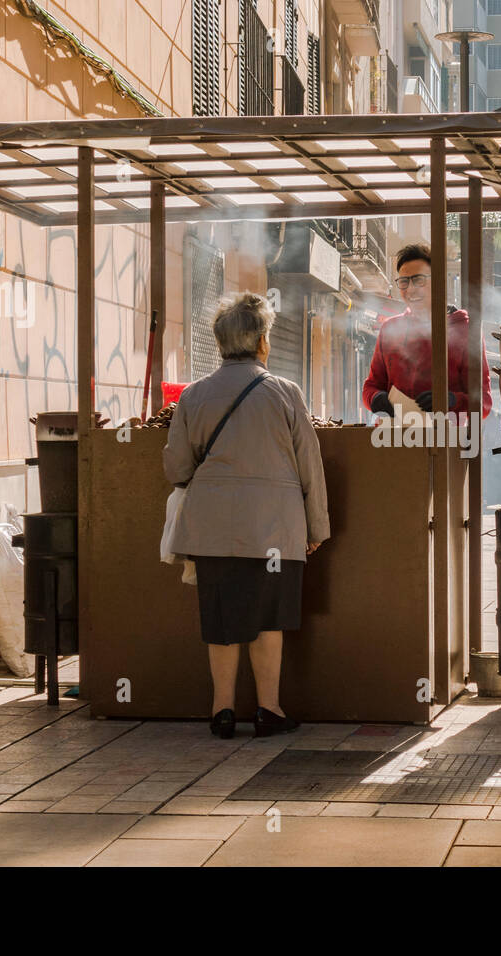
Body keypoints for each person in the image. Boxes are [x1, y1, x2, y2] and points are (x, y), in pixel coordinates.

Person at [164, 292, 330, 741]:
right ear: (261, 343)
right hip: (275, 529)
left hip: (214, 530)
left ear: (220, 343)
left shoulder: (193, 395)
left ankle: (221, 712)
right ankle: (268, 710)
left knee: (221, 621)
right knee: (267, 619)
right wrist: (315, 529)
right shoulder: (285, 392)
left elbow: (176, 469)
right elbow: (309, 467)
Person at [362, 242, 492, 419]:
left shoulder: (466, 329)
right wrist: (376, 398)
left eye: (419, 280)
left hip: (445, 439)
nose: (410, 289)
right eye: (404, 282)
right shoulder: (390, 329)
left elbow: (484, 402)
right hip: (393, 438)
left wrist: (451, 401)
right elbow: (371, 386)